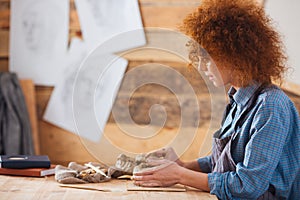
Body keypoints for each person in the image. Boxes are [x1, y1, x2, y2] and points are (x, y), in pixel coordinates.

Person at [132, 0, 300, 199]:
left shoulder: (271, 106)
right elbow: (225, 162)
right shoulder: (238, 101)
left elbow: (247, 186)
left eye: (208, 58)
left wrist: (180, 175)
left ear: (235, 56)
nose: (202, 67)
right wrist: (183, 165)